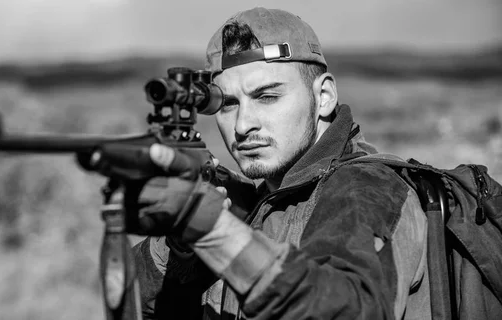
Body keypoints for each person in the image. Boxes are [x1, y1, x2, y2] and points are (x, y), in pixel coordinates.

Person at [130, 7, 429, 320]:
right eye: (228, 104)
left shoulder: (366, 190)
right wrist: (178, 248)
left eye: (267, 97)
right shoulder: (259, 199)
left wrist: (219, 233)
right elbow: (130, 307)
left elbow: (346, 310)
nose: (243, 124)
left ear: (324, 96)